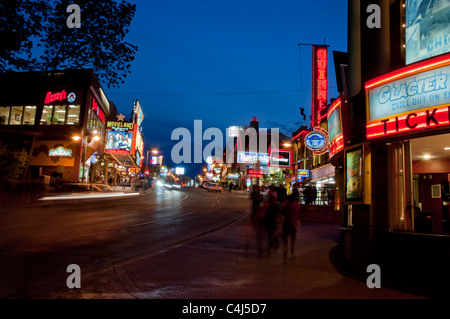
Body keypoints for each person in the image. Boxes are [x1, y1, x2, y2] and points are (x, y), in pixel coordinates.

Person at [281, 194, 300, 259]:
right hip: (293, 224)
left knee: (285, 238)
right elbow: (298, 212)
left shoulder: (285, 204)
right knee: (292, 239)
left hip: (286, 223)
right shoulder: (296, 205)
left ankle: (286, 251)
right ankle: (292, 254)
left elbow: (282, 212)